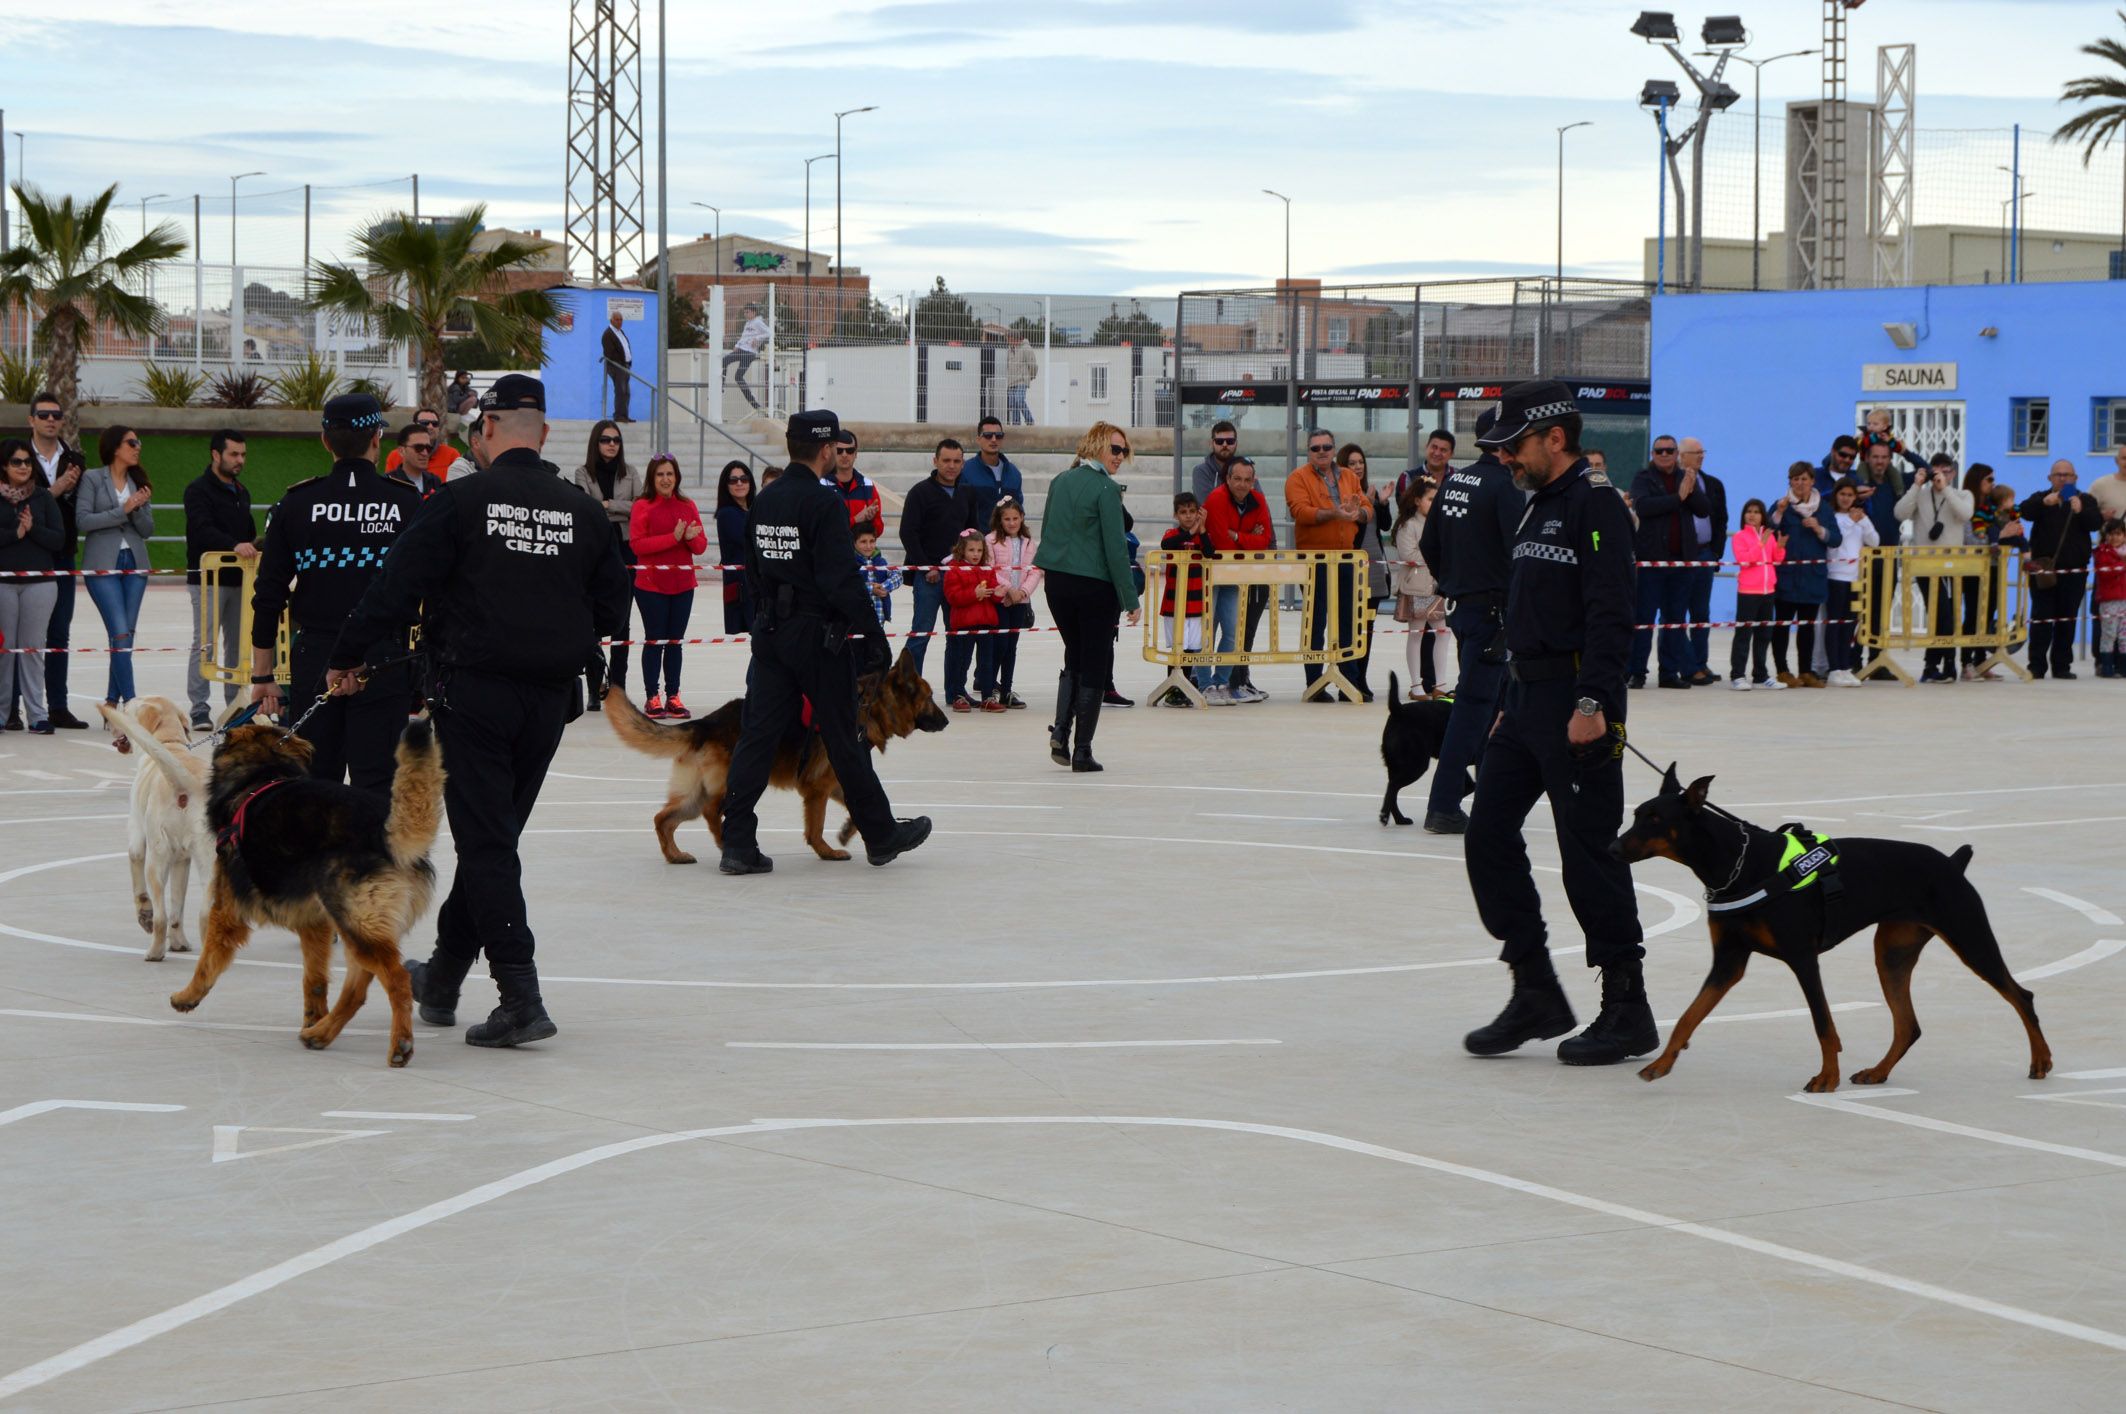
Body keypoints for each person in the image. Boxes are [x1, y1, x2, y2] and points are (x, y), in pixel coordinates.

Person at [329, 373, 631, 1048]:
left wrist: (346, 654)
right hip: (550, 702)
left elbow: (396, 587)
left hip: (475, 695)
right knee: (493, 836)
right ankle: (441, 980)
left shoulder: (463, 500)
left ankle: (519, 996)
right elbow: (614, 604)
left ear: (487, 429)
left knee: (487, 841)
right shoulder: (582, 511)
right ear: (546, 433)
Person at [1460, 379, 1651, 1067]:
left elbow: (1611, 611)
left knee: (1588, 855)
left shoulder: (1594, 506)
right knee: (1486, 835)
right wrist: (1511, 696)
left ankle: (1627, 1008)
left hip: (1580, 702)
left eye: (1514, 447)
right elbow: (1530, 607)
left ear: (1554, 439)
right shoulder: (1535, 504)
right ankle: (1535, 987)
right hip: (1527, 699)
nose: (1505, 459)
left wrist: (1594, 704)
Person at [716, 408, 931, 874]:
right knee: (844, 737)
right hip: (817, 637)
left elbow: (752, 571)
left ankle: (736, 844)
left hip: (771, 632)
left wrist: (765, 621)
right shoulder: (823, 503)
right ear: (827, 449)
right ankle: (880, 834)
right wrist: (872, 634)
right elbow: (840, 579)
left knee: (757, 736)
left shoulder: (765, 501)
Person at [247, 394, 422, 791]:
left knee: (312, 784)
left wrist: (263, 674)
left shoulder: (297, 503)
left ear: (326, 441)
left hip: (315, 660)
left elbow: (269, 595)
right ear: (378, 438)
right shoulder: (406, 502)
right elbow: (432, 587)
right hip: (384, 659)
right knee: (377, 787)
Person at [1416, 406, 1520, 835]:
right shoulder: (1505, 487)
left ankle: (1474, 790)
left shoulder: (1456, 480)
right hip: (1493, 613)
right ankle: (1444, 804)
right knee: (1475, 709)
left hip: (1465, 609)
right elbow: (1520, 553)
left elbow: (1429, 541)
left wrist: (1453, 582)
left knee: (1487, 704)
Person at [1036, 421, 1141, 772]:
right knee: (1094, 663)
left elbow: (1048, 528)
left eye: (1124, 451)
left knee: (1074, 656)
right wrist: (1131, 599)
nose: (1120, 456)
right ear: (1096, 446)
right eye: (1115, 449)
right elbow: (1115, 549)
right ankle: (1082, 749)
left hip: (1058, 585)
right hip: (1094, 586)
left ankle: (1062, 732)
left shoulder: (1059, 481)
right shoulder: (1105, 489)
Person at [1283, 429, 1370, 702]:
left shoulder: (1348, 476)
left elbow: (1367, 506)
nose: (1322, 452)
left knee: (1348, 622)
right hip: (1314, 562)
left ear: (1334, 449)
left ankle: (1348, 683)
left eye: (1327, 447)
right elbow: (1300, 511)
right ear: (1308, 452)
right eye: (1316, 448)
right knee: (1315, 622)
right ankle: (1315, 684)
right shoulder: (1297, 478)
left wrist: (1361, 513)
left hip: (1346, 559)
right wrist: (1335, 513)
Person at [181, 430, 258, 731]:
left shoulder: (242, 491)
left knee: (238, 646)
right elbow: (201, 530)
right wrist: (233, 545)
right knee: (205, 644)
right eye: (233, 454)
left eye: (243, 455)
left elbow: (248, 533)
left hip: (241, 580)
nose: (240, 460)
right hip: (208, 580)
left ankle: (235, 706)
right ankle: (199, 709)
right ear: (216, 455)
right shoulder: (197, 490)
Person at [21, 392, 88, 729]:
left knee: (59, 632)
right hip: (22, 555)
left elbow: (79, 510)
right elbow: (17, 504)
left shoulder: (75, 459)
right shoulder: (16, 457)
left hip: (61, 553)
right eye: (43, 414)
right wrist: (56, 490)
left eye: (56, 415)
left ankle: (57, 705)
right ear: (31, 420)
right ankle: (13, 708)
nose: (50, 420)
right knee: (21, 637)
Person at [76, 425, 156, 707]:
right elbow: (84, 521)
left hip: (135, 563)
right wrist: (121, 510)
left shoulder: (139, 481)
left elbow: (147, 530)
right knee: (120, 632)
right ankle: (131, 702)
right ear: (114, 447)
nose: (137, 447)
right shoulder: (92, 478)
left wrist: (137, 508)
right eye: (131, 442)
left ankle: (112, 701)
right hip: (102, 565)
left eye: (139, 442)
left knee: (125, 636)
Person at [1626, 433, 1708, 690]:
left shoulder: (1686, 477)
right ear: (1652, 454)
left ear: (1676, 454)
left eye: (1669, 450)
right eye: (1659, 451)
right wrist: (1678, 498)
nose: (1664, 454)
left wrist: (1690, 490)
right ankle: (1636, 672)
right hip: (1651, 562)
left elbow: (1704, 509)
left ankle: (1669, 673)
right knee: (1644, 619)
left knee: (1674, 620)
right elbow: (1644, 507)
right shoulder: (1643, 477)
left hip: (1681, 563)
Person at [627, 453, 705, 719]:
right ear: (652, 477)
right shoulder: (642, 506)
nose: (665, 479)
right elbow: (638, 545)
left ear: (677, 477)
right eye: (660, 474)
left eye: (670, 474)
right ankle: (652, 696)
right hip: (651, 586)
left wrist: (691, 540)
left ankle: (674, 695)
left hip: (683, 585)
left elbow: (701, 545)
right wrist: (673, 538)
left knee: (675, 642)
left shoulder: (687, 505)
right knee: (655, 640)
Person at [898, 438, 978, 687]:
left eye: (956, 461)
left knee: (957, 636)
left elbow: (972, 533)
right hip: (929, 578)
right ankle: (909, 690)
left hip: (958, 577)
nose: (951, 466)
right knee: (921, 633)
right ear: (935, 461)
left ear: (963, 464)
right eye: (946, 461)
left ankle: (956, 691)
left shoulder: (968, 493)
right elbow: (908, 533)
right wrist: (926, 567)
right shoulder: (919, 492)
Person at [574, 419, 643, 707]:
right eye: (605, 439)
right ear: (596, 442)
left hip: (626, 550)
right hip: (596, 551)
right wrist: (613, 508)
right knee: (594, 624)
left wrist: (608, 505)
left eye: (616, 439)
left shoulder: (631, 473)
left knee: (622, 624)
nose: (611, 444)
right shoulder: (582, 472)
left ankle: (618, 690)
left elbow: (640, 507)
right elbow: (585, 508)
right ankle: (594, 689)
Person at [0, 438, 64, 733]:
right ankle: (3, 714)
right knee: (4, 651)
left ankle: (38, 715)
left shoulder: (42, 498)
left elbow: (58, 540)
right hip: (3, 584)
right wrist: (16, 533)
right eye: (17, 461)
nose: (23, 466)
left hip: (40, 584)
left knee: (32, 650)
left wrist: (32, 528)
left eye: (27, 461)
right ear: (4, 465)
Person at [2021, 459, 2105, 680]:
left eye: (2068, 475)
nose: (2063, 478)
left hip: (2074, 570)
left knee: (2067, 619)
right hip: (2044, 570)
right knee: (2041, 617)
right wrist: (2043, 503)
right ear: (2050, 478)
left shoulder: (2085, 499)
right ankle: (2036, 665)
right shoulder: (2041, 497)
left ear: (2075, 478)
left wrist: (2081, 511)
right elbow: (2024, 511)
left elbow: (2096, 523)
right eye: (2058, 474)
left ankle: (2062, 666)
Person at [1896, 453, 1974, 683]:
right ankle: (1942, 665)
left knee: (1946, 615)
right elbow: (1900, 513)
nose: (1941, 476)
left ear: (1953, 472)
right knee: (1941, 614)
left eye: (1946, 471)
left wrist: (1946, 489)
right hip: (1926, 565)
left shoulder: (1961, 494)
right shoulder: (1920, 496)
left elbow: (1965, 514)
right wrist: (1916, 485)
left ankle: (1936, 665)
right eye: (1936, 471)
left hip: (1953, 565)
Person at [1202, 456, 1273, 705]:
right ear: (1227, 479)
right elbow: (1221, 541)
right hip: (1211, 574)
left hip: (1233, 574)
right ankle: (1204, 684)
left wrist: (1237, 536)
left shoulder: (1259, 500)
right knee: (1206, 631)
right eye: (1237, 479)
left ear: (1254, 481)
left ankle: (1222, 681)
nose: (1242, 484)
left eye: (1247, 480)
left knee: (1232, 633)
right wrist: (1246, 537)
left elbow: (1264, 540)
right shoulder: (1217, 498)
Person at [1768, 462, 1840, 688]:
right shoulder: (1781, 505)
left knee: (1807, 626)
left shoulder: (1824, 509)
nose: (1800, 483)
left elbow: (1836, 539)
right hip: (1786, 576)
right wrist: (1779, 513)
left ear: (1812, 481)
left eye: (1804, 479)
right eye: (1795, 479)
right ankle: (1782, 670)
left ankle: (1806, 671)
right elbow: (1768, 530)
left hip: (1813, 577)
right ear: (1789, 481)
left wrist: (1819, 529)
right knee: (1781, 625)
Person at [1677, 438, 1728, 686]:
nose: (1701, 456)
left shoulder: (1713, 484)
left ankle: (1700, 663)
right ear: (1681, 455)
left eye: (1702, 452)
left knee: (1701, 613)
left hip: (1705, 554)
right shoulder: (1673, 482)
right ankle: (1684, 664)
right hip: (1680, 557)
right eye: (1696, 453)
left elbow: (1721, 521)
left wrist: (1716, 553)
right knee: (1676, 612)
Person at [1157, 491, 1216, 704]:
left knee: (1191, 647)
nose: (1188, 516)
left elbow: (1209, 552)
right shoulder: (1171, 534)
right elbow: (1167, 546)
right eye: (1183, 512)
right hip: (1174, 603)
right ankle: (1172, 688)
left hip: (1195, 602)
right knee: (1177, 647)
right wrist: (1191, 531)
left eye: (1192, 512)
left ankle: (1184, 686)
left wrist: (1202, 530)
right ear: (1176, 515)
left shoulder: (1201, 536)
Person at [1391, 476, 1445, 699]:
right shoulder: (1408, 525)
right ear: (1416, 501)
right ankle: (1416, 685)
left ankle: (1439, 684)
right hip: (1416, 587)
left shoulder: (1438, 523)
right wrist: (1436, 555)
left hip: (1434, 586)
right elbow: (1408, 555)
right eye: (1430, 499)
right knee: (1416, 634)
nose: (1434, 503)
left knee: (1442, 632)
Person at [941, 529, 1005, 711]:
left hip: (986, 622)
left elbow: (992, 591)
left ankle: (987, 697)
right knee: (962, 660)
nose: (976, 554)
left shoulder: (986, 568)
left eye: (979, 550)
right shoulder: (954, 569)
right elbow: (952, 597)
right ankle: (958, 695)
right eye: (971, 550)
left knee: (986, 662)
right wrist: (973, 594)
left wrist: (998, 595)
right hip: (964, 623)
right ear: (962, 550)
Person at [1341, 444, 1385, 703]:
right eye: (1352, 462)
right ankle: (1348, 677)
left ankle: (1361, 677)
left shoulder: (1372, 492)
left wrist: (1381, 503)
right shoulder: (1343, 494)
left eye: (1360, 462)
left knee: (1367, 627)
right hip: (1353, 566)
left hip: (1375, 565)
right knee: (1349, 626)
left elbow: (1385, 526)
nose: (1357, 467)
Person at [1823, 479, 1877, 688]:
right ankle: (1833, 668)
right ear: (1836, 495)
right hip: (1835, 576)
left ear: (1856, 498)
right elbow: (1836, 541)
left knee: (1849, 624)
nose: (1846, 499)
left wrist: (1863, 521)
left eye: (1850, 495)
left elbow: (1875, 541)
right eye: (1842, 494)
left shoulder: (1859, 518)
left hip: (1855, 578)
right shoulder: (1832, 517)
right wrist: (1852, 522)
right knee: (1835, 624)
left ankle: (1845, 666)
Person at [1727, 497, 1785, 690]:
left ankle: (1760, 675)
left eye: (1756, 511)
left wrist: (1779, 546)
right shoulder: (1740, 537)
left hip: (1768, 591)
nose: (1752, 515)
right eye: (1749, 511)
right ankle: (1738, 675)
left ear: (1763, 516)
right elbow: (1745, 560)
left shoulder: (1768, 535)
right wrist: (1761, 543)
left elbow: (1776, 560)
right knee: (1743, 634)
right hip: (1748, 592)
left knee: (1763, 635)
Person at [987, 495, 1039, 708]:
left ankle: (1007, 690)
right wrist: (1009, 590)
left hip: (1020, 602)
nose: (1011, 523)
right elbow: (990, 568)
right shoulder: (990, 540)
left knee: (1011, 647)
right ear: (1000, 520)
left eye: (1015, 518)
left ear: (1022, 518)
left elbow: (1034, 572)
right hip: (999, 600)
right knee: (998, 646)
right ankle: (989, 689)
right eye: (1006, 519)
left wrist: (1022, 592)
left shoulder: (1029, 543)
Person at [1959, 463, 2000, 680]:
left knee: (1988, 614)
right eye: (1989, 480)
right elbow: (1970, 539)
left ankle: (1982, 661)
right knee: (1973, 614)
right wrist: (1997, 538)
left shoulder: (1993, 507)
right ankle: (1966, 661)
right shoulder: (1968, 507)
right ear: (1978, 481)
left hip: (1993, 567)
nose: (1993, 484)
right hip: (1973, 568)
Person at [714, 460, 756, 635]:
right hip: (742, 587)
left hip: (756, 583)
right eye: (733, 480)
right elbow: (750, 540)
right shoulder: (727, 514)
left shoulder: (755, 508)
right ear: (726, 486)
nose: (739, 483)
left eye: (744, 479)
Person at [961, 415, 1025, 528]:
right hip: (977, 542)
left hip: (1006, 542)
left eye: (998, 435)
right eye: (988, 435)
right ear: (978, 439)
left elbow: (1018, 510)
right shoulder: (966, 471)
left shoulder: (1014, 473)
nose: (994, 439)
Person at [825, 430, 884, 535]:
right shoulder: (821, 485)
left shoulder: (868, 485)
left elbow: (878, 531)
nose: (844, 455)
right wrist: (856, 519)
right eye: (839, 450)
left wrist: (871, 519)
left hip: (860, 551)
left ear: (856, 453)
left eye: (850, 450)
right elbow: (824, 528)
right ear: (832, 452)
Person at [383, 409, 465, 482]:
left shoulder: (451, 455)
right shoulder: (395, 456)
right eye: (425, 423)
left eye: (435, 424)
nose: (430, 427)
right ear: (413, 425)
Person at [722, 302, 769, 412]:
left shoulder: (758, 322)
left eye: (747, 312)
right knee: (724, 361)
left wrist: (757, 339)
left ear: (753, 312)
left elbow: (770, 333)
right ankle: (721, 385)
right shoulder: (747, 323)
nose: (745, 314)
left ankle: (754, 404)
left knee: (738, 376)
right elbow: (744, 337)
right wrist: (737, 345)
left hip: (749, 353)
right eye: (744, 312)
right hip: (742, 350)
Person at [855, 526, 900, 625]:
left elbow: (898, 575)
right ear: (854, 543)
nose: (868, 546)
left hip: (879, 618)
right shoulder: (850, 563)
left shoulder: (881, 561)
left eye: (872, 541)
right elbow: (850, 584)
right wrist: (871, 589)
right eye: (863, 542)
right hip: (857, 619)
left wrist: (884, 587)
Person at [385, 424, 445, 498]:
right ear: (401, 451)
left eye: (428, 448)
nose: (425, 453)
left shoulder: (434, 481)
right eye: (419, 447)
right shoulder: (389, 482)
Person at [1190, 419, 1240, 503]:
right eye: (1219, 441)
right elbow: (1208, 506)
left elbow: (1260, 505)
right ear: (1212, 443)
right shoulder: (1201, 471)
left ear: (1236, 443)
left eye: (1230, 441)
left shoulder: (1245, 470)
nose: (1225, 445)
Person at [601, 309, 635, 421]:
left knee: (626, 392)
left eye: (621, 319)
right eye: (617, 319)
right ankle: (619, 415)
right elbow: (609, 353)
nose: (619, 322)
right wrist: (621, 363)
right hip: (617, 367)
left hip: (625, 366)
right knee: (620, 391)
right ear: (611, 320)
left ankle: (624, 415)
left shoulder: (621, 332)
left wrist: (628, 362)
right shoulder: (608, 334)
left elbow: (625, 347)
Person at [1005, 331, 1038, 426]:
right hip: (1011, 381)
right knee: (1013, 404)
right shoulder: (1009, 350)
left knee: (1019, 399)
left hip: (1022, 380)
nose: (1008, 342)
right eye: (1008, 340)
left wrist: (1030, 377)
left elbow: (1033, 365)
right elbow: (1008, 365)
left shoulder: (1026, 348)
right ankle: (1016, 424)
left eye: (1010, 340)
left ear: (1016, 339)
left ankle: (1030, 421)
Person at [445, 371, 479, 438]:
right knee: (472, 399)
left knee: (474, 398)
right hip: (453, 409)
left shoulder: (464, 387)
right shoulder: (455, 387)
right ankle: (464, 414)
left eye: (466, 378)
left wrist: (473, 393)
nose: (465, 379)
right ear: (458, 378)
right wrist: (468, 395)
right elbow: (456, 400)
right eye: (463, 378)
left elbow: (473, 391)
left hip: (457, 408)